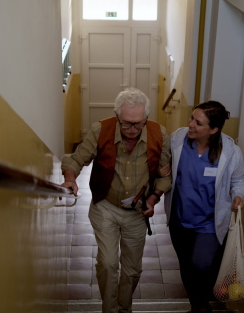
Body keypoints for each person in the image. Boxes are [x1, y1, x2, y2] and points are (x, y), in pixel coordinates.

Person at [61, 88, 172, 313]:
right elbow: (75, 160)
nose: (132, 130)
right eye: (126, 123)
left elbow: (164, 175)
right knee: (109, 263)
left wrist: (153, 198)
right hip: (106, 207)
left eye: (138, 124)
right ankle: (109, 309)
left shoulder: (159, 134)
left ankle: (125, 308)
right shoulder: (100, 130)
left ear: (146, 118)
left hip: (138, 212)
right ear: (117, 115)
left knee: (132, 270)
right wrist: (70, 178)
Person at [160, 100, 244, 313]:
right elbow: (163, 164)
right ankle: (197, 306)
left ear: (214, 129)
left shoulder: (231, 151)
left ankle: (200, 306)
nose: (191, 124)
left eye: (198, 123)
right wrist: (161, 172)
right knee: (187, 266)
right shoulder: (177, 139)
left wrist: (238, 195)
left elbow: (239, 179)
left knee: (202, 265)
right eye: (192, 118)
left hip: (209, 222)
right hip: (179, 219)